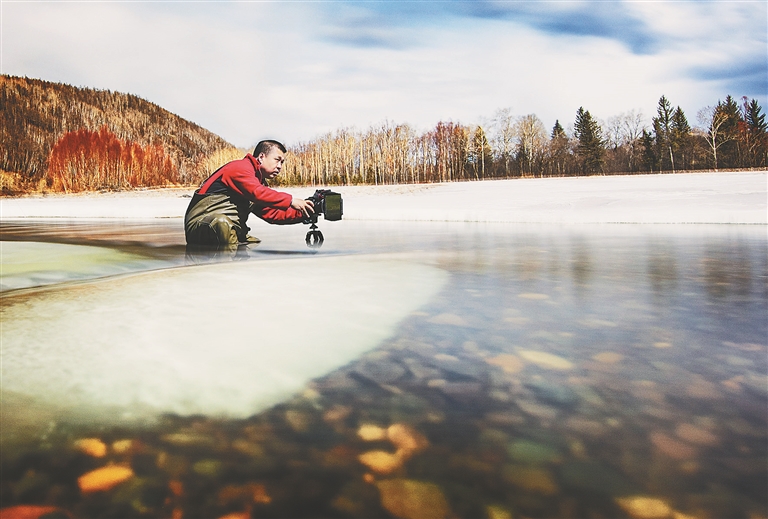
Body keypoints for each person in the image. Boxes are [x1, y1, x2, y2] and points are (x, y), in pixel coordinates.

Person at [184, 140, 314, 248]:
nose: (280, 166)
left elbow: (273, 213)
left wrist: (306, 212)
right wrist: (291, 201)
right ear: (262, 157)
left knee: (252, 244)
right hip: (202, 225)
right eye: (277, 160)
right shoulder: (240, 168)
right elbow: (257, 193)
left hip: (229, 228)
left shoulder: (257, 182)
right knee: (222, 224)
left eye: (282, 162)